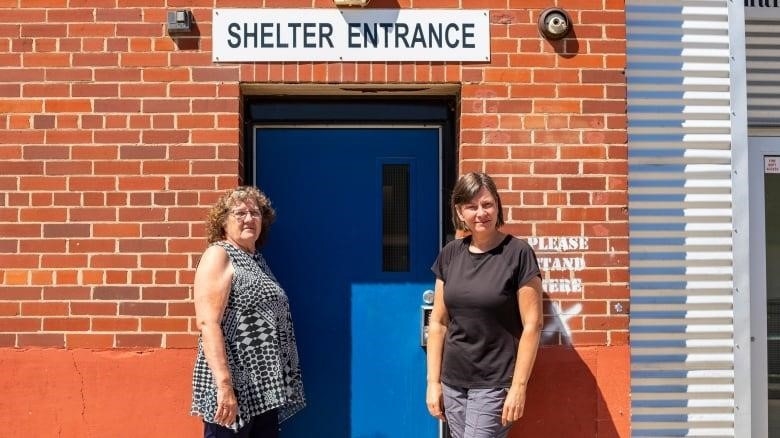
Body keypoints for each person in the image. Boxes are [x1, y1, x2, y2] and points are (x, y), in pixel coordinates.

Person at [425, 172, 544, 438]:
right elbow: (439, 322)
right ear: (460, 211)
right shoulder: (451, 253)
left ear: (498, 205)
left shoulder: (518, 253)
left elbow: (533, 325)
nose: (481, 212)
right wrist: (433, 383)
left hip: (494, 382)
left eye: (488, 204)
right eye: (472, 206)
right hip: (454, 381)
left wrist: (518, 387)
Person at [191, 186, 305, 438]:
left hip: (264, 389)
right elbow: (208, 323)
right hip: (235, 385)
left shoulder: (256, 261)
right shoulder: (219, 254)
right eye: (240, 213)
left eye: (255, 213)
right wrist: (224, 386)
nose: (249, 218)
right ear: (223, 222)